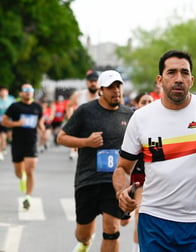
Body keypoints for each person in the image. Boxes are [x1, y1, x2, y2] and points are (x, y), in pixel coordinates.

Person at [112, 50, 196, 252]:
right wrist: (121, 192)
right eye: (172, 73)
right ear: (160, 80)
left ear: (192, 80)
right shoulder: (141, 118)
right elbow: (122, 168)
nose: (179, 79)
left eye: (184, 73)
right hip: (154, 220)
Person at [57, 70, 133, 252]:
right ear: (100, 90)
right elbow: (61, 137)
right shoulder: (85, 111)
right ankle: (85, 241)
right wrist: (86, 142)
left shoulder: (129, 115)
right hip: (88, 179)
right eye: (110, 87)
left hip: (115, 180)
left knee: (112, 228)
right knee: (83, 233)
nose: (116, 91)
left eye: (118, 86)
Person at [1, 83, 45, 210]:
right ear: (20, 93)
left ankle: (28, 197)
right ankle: (22, 178)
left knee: (30, 170)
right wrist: (17, 123)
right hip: (17, 143)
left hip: (31, 142)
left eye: (30, 89)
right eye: (25, 90)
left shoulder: (37, 107)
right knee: (19, 172)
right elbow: (4, 121)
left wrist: (42, 128)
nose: (28, 92)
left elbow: (40, 121)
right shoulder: (15, 106)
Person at [129, 92, 153, 252]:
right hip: (134, 174)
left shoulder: (161, 121)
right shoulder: (132, 122)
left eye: (150, 101)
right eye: (144, 102)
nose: (147, 105)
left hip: (153, 175)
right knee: (130, 217)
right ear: (137, 104)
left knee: (143, 214)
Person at [66, 70, 100, 160]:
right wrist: (71, 119)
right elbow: (69, 106)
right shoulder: (79, 95)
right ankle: (73, 150)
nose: (93, 84)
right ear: (87, 82)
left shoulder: (102, 96)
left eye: (95, 81)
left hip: (98, 127)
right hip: (82, 126)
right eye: (91, 81)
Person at [0, 85, 15, 161]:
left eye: (4, 91)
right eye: (1, 91)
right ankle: (1, 152)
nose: (3, 93)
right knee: (2, 137)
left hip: (8, 121)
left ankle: (3, 148)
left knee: (6, 137)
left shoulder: (11, 99)